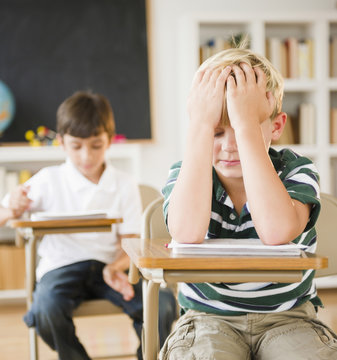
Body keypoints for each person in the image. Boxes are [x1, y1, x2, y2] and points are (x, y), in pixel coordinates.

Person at [160, 47, 337, 360]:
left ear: (277, 126)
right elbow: (186, 233)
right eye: (216, 131)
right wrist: (202, 125)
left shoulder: (297, 170)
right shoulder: (186, 173)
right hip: (207, 319)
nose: (230, 146)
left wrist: (247, 127)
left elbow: (277, 231)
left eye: (244, 130)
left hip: (289, 317)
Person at [1, 91, 176, 360]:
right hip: (60, 269)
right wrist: (10, 206)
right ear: (61, 142)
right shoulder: (47, 180)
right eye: (76, 146)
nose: (86, 156)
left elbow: (129, 239)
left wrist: (115, 267)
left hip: (109, 267)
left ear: (109, 140)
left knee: (162, 304)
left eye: (95, 145)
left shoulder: (123, 183)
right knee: (45, 310)